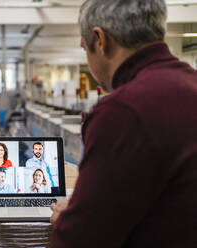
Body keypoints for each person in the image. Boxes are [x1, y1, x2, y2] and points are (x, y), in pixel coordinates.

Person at [50, 0, 197, 247]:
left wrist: (68, 219)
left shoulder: (123, 111)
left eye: (85, 49)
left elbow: (82, 238)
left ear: (100, 40)